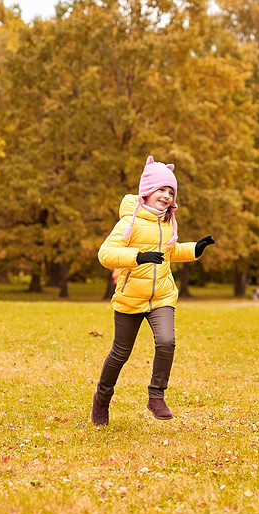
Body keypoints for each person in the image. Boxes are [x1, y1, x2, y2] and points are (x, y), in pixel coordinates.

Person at [92, 156, 215, 425]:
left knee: (167, 341)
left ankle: (156, 395)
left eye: (171, 192)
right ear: (147, 192)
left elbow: (170, 252)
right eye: (162, 189)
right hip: (130, 297)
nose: (167, 195)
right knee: (120, 353)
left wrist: (196, 249)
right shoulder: (129, 223)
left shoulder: (168, 222)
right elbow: (106, 254)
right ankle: (102, 398)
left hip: (161, 295)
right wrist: (138, 256)